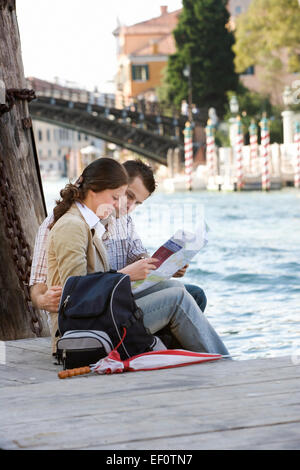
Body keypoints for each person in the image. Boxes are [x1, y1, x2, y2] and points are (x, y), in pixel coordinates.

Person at [44, 157, 230, 357]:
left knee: (175, 288)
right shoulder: (72, 226)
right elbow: (76, 296)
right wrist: (124, 275)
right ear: (94, 190)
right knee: (177, 298)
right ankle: (222, 362)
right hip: (81, 331)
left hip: (96, 317)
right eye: (116, 197)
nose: (121, 206)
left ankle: (181, 356)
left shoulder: (89, 224)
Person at [30, 160, 207, 315]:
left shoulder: (124, 220)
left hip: (120, 296)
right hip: (95, 308)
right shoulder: (62, 224)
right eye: (128, 196)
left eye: (137, 203)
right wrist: (42, 300)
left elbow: (139, 255)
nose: (130, 206)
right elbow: (40, 284)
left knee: (193, 294)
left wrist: (166, 266)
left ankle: (157, 349)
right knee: (178, 298)